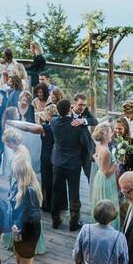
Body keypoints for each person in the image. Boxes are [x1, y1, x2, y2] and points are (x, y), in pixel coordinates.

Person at [50, 98, 91, 231]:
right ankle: (74, 221)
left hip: (57, 162)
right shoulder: (77, 125)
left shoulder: (54, 121)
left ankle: (55, 220)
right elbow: (86, 143)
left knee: (56, 192)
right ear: (70, 109)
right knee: (74, 193)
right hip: (73, 163)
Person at [10, 157, 43, 264]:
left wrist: (18, 226)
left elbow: (30, 214)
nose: (14, 175)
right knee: (19, 262)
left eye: (16, 173)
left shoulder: (30, 190)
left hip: (28, 231)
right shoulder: (17, 184)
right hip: (18, 228)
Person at [89, 123, 120, 229]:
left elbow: (97, 159)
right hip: (106, 181)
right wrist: (116, 164)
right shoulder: (106, 151)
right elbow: (106, 173)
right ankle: (109, 226)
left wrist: (97, 158)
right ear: (106, 134)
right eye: (111, 132)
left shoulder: (99, 146)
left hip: (99, 178)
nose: (112, 134)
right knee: (108, 203)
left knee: (101, 202)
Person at [72, 93, 98, 180]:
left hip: (87, 149)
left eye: (84, 105)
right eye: (80, 104)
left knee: (91, 177)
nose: (82, 107)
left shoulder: (85, 111)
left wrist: (84, 120)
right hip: (74, 151)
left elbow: (95, 121)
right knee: (75, 178)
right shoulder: (68, 113)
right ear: (74, 103)